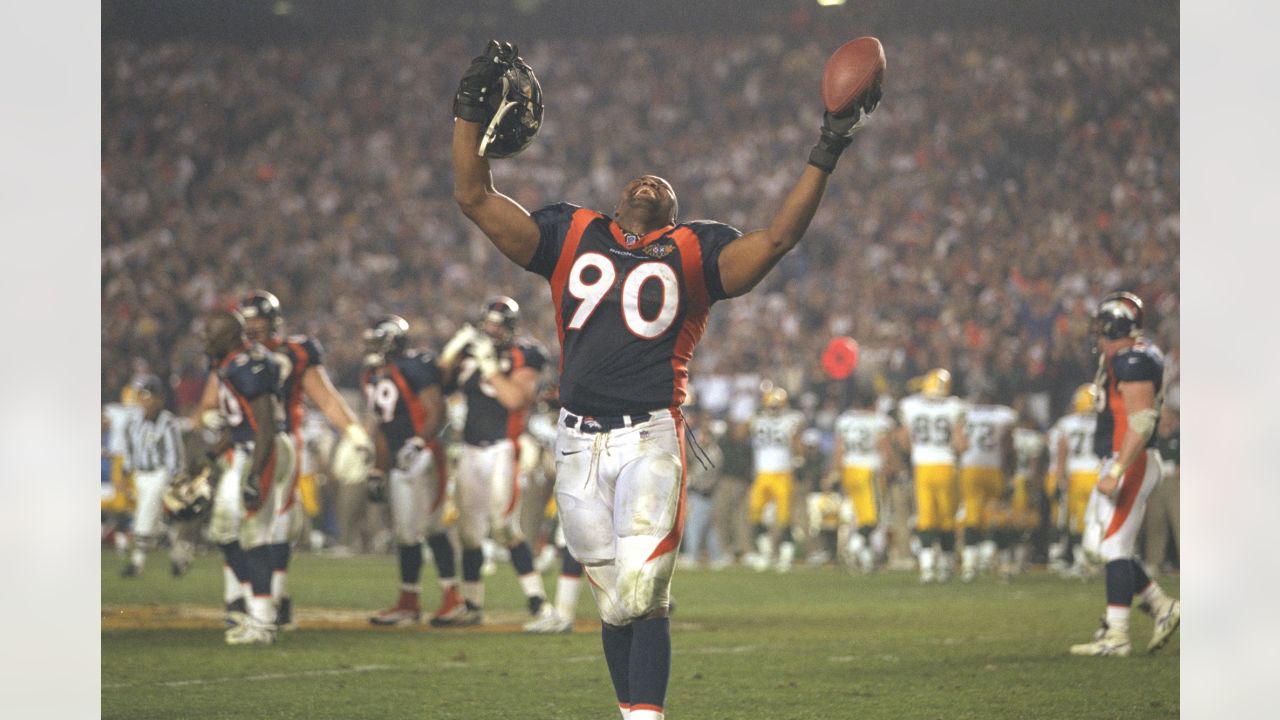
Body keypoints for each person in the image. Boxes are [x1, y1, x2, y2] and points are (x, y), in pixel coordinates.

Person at [451, 39, 879, 720]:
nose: (649, 183)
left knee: (645, 592)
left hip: (650, 435)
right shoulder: (570, 233)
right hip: (575, 442)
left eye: (663, 186)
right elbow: (474, 195)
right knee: (615, 603)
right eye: (638, 180)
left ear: (676, 212)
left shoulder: (695, 251)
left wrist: (827, 146)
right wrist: (467, 116)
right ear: (617, 200)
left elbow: (775, 241)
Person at [236, 290, 375, 630]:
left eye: (259, 319)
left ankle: (274, 600)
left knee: (279, 525)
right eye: (248, 320)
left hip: (283, 443)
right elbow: (214, 394)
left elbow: (326, 400)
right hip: (240, 446)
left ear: (272, 322)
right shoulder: (231, 353)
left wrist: (354, 433)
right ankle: (244, 599)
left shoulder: (294, 353)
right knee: (239, 525)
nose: (253, 327)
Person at [1070, 292, 1179, 657]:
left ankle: (1116, 635)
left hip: (1131, 459)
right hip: (1117, 457)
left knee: (1114, 547)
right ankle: (1161, 606)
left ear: (1115, 327)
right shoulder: (1119, 357)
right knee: (1096, 547)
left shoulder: (1134, 358)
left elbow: (1143, 420)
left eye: (1102, 329)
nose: (1097, 337)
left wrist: (1117, 469)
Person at [438, 297, 551, 625]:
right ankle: (472, 606)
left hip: (504, 447)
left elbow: (515, 398)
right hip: (471, 449)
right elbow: (442, 384)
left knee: (503, 527)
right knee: (469, 533)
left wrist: (489, 367)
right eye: (487, 324)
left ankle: (538, 602)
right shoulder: (472, 352)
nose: (490, 330)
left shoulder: (525, 354)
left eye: (497, 325)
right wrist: (450, 352)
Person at [359, 315, 464, 627]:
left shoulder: (414, 366)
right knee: (407, 533)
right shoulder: (372, 376)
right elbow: (382, 426)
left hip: (424, 454)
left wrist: (419, 442)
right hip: (398, 457)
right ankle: (410, 601)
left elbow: (437, 408)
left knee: (430, 528)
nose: (372, 348)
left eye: (377, 341)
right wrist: (378, 469)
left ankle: (451, 598)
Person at [202, 309, 297, 645]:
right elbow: (240, 423)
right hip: (249, 448)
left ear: (228, 336)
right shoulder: (230, 365)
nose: (204, 339)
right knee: (232, 533)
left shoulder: (248, 365)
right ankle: (254, 612)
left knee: (255, 535)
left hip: (264, 449)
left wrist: (257, 471)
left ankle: (263, 623)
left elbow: (265, 424)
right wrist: (210, 456)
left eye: (210, 332)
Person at [897, 368, 968, 583]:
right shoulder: (954, 406)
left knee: (926, 516)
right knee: (947, 517)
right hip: (946, 465)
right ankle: (946, 566)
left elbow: (903, 438)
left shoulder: (911, 405)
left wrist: (916, 452)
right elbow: (959, 442)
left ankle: (927, 568)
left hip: (922, 466)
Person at [119, 375, 186, 578]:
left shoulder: (168, 423)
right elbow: (130, 452)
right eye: (143, 396)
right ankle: (179, 558)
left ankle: (136, 565)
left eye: (149, 396)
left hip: (160, 474)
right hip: (140, 475)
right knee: (158, 524)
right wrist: (124, 476)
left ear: (160, 399)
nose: (145, 401)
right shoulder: (133, 423)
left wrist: (176, 480)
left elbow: (175, 454)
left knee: (144, 517)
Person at [830, 386, 896, 573]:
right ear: (874, 403)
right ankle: (853, 547)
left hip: (849, 470)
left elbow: (839, 450)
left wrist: (836, 472)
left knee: (862, 517)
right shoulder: (880, 421)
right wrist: (890, 467)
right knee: (873, 518)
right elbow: (885, 448)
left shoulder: (845, 420)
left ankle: (867, 560)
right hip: (869, 471)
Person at [956, 392, 1017, 582]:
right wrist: (1010, 470)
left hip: (971, 468)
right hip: (993, 467)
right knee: (994, 514)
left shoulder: (966, 414)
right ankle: (994, 557)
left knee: (972, 514)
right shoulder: (1003, 415)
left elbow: (959, 442)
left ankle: (969, 565)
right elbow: (1008, 446)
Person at [747, 385, 806, 572]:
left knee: (784, 518)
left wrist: (798, 459)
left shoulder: (791, 420)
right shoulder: (757, 420)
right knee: (755, 513)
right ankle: (766, 554)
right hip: (763, 474)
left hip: (783, 474)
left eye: (776, 405)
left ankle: (785, 558)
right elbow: (741, 431)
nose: (773, 409)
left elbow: (798, 441)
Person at [1049, 383, 1101, 578]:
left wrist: (1060, 478)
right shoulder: (1105, 422)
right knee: (1096, 521)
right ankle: (1092, 561)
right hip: (1097, 475)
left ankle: (1082, 563)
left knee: (1077, 521)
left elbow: (1062, 453)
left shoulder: (1067, 423)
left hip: (1077, 475)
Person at [711, 419, 754, 567]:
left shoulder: (747, 447)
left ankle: (746, 551)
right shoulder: (725, 443)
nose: (744, 433)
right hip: (726, 482)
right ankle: (725, 551)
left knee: (742, 519)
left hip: (742, 484)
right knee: (722, 516)